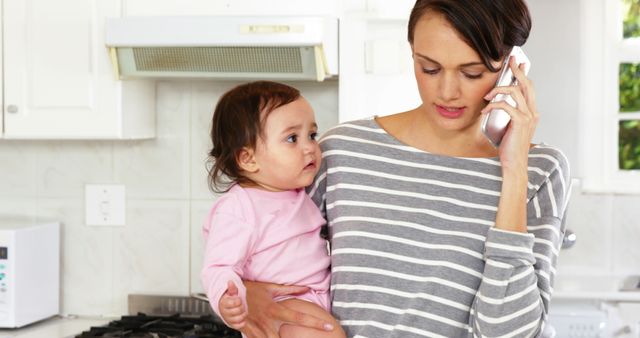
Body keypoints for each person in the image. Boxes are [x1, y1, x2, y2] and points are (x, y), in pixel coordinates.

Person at [239, 0, 572, 337]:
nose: (447, 92)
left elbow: (508, 333)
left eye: (472, 73)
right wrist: (247, 295)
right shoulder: (340, 150)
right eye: (429, 68)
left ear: (512, 67)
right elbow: (260, 251)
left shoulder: (540, 171)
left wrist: (514, 170)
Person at [201, 81, 346, 338]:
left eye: (312, 135)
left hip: (312, 299)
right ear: (248, 159)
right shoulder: (239, 207)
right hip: (280, 307)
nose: (310, 147)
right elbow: (219, 266)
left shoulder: (300, 192)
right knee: (330, 334)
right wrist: (227, 298)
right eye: (292, 138)